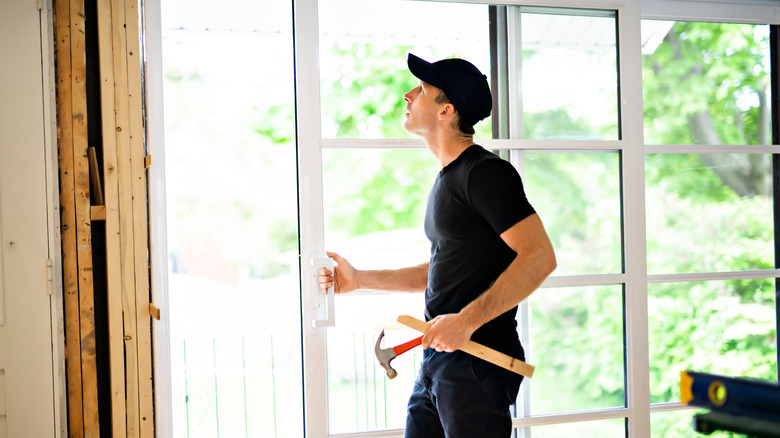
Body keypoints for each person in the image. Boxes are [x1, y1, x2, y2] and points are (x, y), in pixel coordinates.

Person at [318, 53, 557, 438]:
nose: (408, 96)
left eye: (423, 89)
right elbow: (442, 270)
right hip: (440, 361)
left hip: (478, 364)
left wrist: (466, 321)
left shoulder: (485, 173)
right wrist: (359, 279)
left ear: (446, 110)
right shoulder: (449, 179)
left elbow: (540, 257)